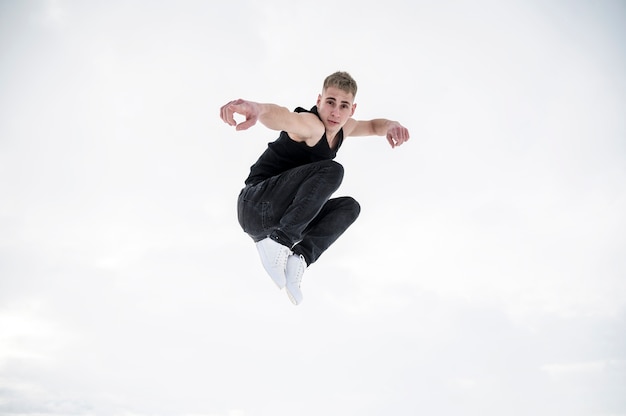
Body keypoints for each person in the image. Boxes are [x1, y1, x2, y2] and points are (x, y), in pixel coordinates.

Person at [220, 71, 409, 305]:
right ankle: (280, 242)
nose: (335, 112)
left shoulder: (344, 128)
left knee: (349, 207)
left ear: (352, 109)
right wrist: (258, 110)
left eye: (343, 106)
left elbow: (371, 126)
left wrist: (392, 126)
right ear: (319, 101)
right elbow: (284, 116)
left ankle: (299, 258)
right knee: (332, 170)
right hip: (255, 204)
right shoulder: (311, 125)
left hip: (276, 218)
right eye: (330, 102)